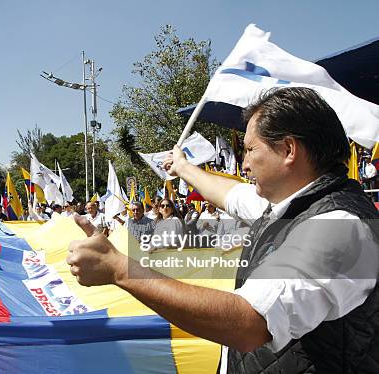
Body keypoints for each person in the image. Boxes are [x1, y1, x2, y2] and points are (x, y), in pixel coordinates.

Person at [66, 87, 379, 373]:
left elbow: (248, 323)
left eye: (251, 150)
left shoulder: (338, 227)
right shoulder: (292, 204)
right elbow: (230, 195)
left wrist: (119, 269)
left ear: (288, 150)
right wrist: (184, 168)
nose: (244, 164)